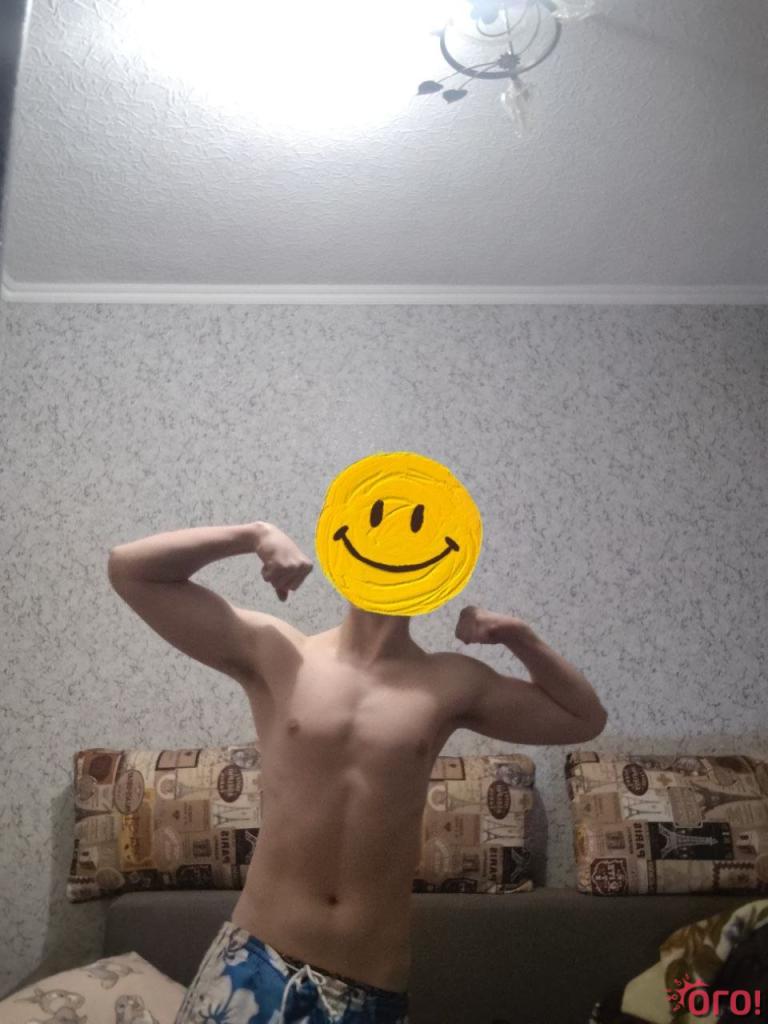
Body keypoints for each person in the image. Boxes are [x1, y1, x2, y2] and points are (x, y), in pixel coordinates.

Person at [107, 520, 608, 1023]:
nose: (394, 544)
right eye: (379, 523)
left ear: (438, 563)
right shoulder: (280, 652)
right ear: (343, 544)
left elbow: (583, 718)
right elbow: (130, 570)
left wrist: (518, 636)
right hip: (254, 962)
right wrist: (252, 535)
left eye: (415, 528)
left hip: (367, 990)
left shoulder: (450, 682)